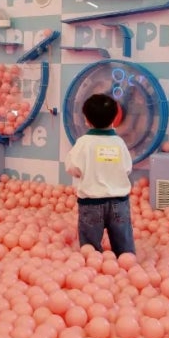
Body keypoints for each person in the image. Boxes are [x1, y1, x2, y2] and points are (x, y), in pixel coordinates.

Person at [64, 93, 136, 257]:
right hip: (119, 202)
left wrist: (84, 172)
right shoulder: (119, 143)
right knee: (123, 240)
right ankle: (126, 260)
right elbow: (127, 168)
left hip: (91, 202)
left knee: (90, 245)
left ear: (87, 120)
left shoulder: (84, 143)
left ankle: (93, 263)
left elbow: (72, 167)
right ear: (115, 119)